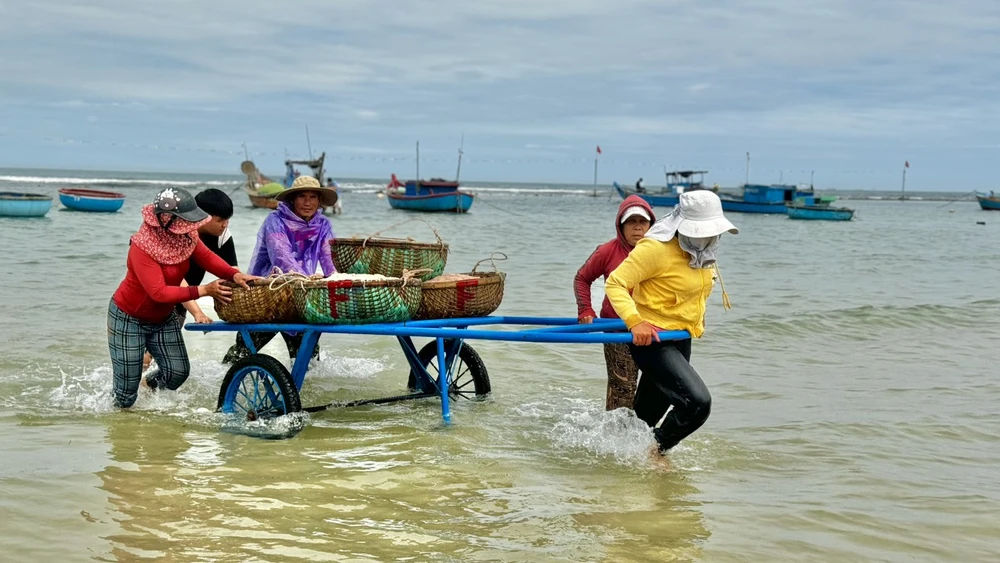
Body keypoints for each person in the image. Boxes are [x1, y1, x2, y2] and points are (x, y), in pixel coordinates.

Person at [605, 190, 738, 454]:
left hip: (680, 338)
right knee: (697, 403)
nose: (708, 236)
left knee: (645, 418)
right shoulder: (655, 249)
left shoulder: (704, 253)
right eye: (701, 230)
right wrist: (634, 322)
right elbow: (616, 283)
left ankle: (617, 460)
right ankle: (656, 452)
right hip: (652, 340)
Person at [108, 187, 257, 408]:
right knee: (126, 393)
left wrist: (234, 275)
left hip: (162, 318)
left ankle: (148, 392)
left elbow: (208, 258)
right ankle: (122, 425)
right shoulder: (142, 247)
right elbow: (158, 292)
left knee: (178, 372)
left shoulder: (186, 236)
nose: (193, 225)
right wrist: (204, 290)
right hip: (129, 317)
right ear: (168, 220)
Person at [223, 176, 338, 364]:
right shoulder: (275, 221)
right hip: (267, 295)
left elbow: (329, 257)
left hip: (301, 297)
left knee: (309, 362)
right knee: (241, 354)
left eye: (312, 197)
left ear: (319, 201)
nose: (307, 203)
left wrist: (337, 281)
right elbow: (282, 257)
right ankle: (219, 385)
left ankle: (302, 392)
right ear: (293, 199)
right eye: (302, 197)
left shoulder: (323, 225)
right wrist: (307, 282)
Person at [141, 189, 240, 373]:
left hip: (181, 303)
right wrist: (198, 313)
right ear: (202, 216)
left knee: (163, 357)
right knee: (147, 355)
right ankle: (135, 393)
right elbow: (177, 280)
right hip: (157, 298)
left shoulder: (222, 236)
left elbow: (232, 272)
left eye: (228, 220)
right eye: (220, 220)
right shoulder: (177, 233)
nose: (225, 225)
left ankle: (149, 392)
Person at [574, 195, 655, 410]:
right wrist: (585, 309)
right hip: (617, 329)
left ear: (651, 224)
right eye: (631, 222)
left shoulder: (660, 251)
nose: (637, 228)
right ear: (620, 225)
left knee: (655, 387)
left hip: (654, 327)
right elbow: (582, 278)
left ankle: (645, 434)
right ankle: (614, 436)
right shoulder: (607, 251)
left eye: (642, 222)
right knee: (623, 388)